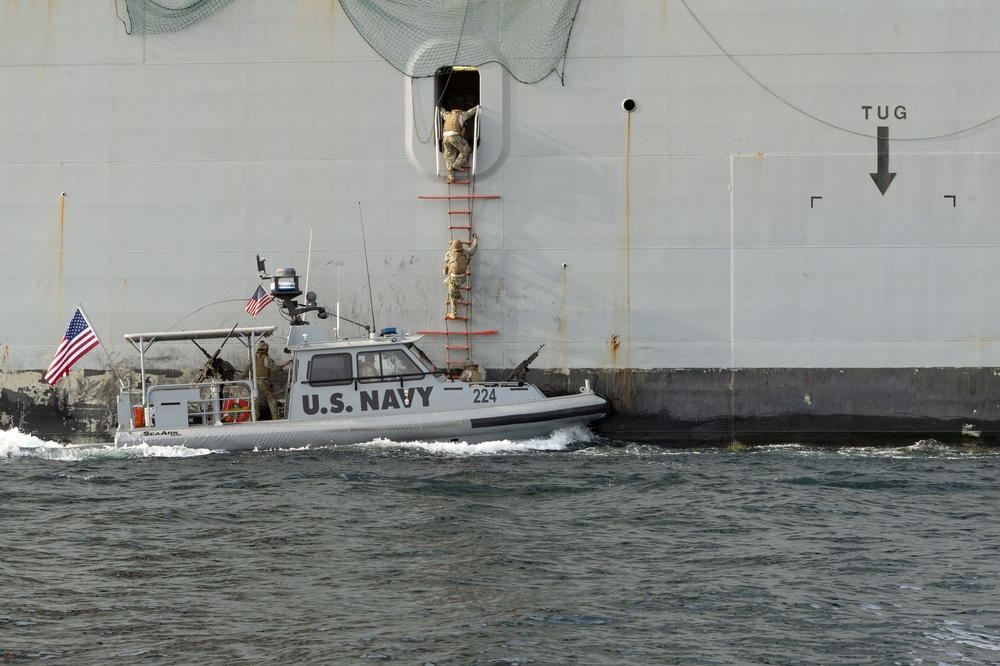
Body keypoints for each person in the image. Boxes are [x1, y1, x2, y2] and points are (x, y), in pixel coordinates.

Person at [243, 340, 289, 419]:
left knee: (255, 400)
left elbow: (246, 370)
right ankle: (275, 416)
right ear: (266, 349)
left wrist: (241, 377)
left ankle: (254, 417)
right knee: (271, 398)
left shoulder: (253, 358)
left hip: (255, 382)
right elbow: (275, 368)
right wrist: (284, 365)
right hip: (264, 382)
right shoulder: (267, 358)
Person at [443, 233, 478, 319]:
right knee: (445, 282)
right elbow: (473, 249)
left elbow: (446, 262)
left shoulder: (449, 254)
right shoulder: (465, 253)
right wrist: (475, 241)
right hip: (462, 278)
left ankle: (453, 313)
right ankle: (459, 295)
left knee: (452, 296)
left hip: (454, 279)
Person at [440, 105, 479, 181]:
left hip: (445, 137)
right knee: (466, 149)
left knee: (449, 155)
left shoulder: (448, 115)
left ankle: (451, 175)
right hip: (454, 136)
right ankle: (457, 164)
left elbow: (442, 113)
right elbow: (470, 113)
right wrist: (476, 107)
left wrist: (440, 107)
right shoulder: (461, 115)